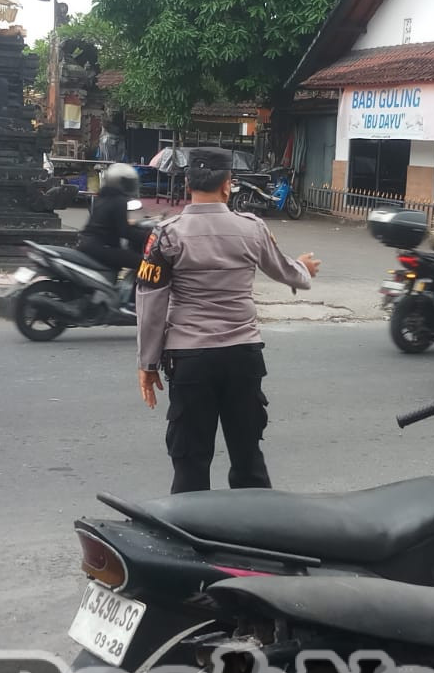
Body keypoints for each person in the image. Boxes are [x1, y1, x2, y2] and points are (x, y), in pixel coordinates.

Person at [135, 150, 322, 493]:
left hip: (189, 360)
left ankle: (192, 542)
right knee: (248, 458)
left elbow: (150, 302)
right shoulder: (251, 228)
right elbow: (285, 270)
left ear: (188, 184)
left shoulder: (165, 235)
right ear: (227, 186)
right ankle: (254, 539)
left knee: (190, 462)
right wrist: (303, 270)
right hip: (242, 357)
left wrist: (147, 363)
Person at [80, 162, 149, 305]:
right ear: (122, 183)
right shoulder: (119, 201)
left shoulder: (102, 197)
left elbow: (115, 224)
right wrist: (147, 235)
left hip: (88, 244)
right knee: (143, 263)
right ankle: (132, 301)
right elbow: (124, 231)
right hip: (102, 247)